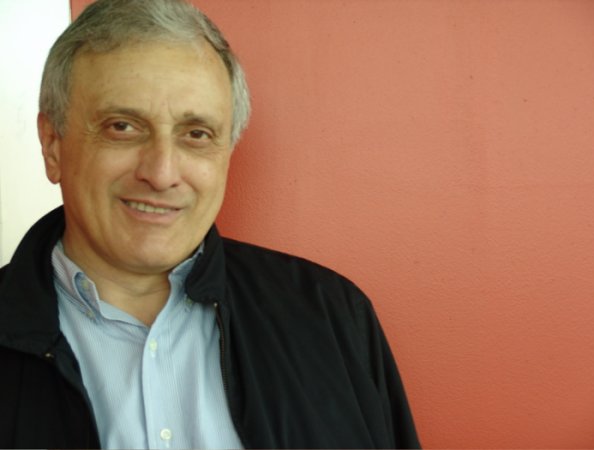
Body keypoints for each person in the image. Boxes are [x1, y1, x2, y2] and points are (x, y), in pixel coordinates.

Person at [0, 0, 420, 448]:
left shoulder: (334, 318)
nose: (162, 173)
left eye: (196, 134)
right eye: (123, 127)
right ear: (52, 145)